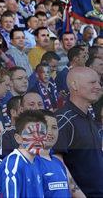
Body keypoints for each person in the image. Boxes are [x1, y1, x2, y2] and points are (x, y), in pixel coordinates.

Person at [55, 67, 103, 196]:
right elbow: (56, 161)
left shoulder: (90, 119)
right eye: (92, 82)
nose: (98, 86)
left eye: (99, 83)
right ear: (74, 85)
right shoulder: (63, 119)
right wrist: (78, 194)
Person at [0, 110, 47, 198]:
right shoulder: (13, 164)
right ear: (18, 138)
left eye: (41, 133)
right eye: (31, 133)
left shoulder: (38, 162)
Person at [36, 110, 75, 198]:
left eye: (54, 127)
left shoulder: (58, 162)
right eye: (45, 126)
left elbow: (73, 190)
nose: (50, 132)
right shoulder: (27, 162)